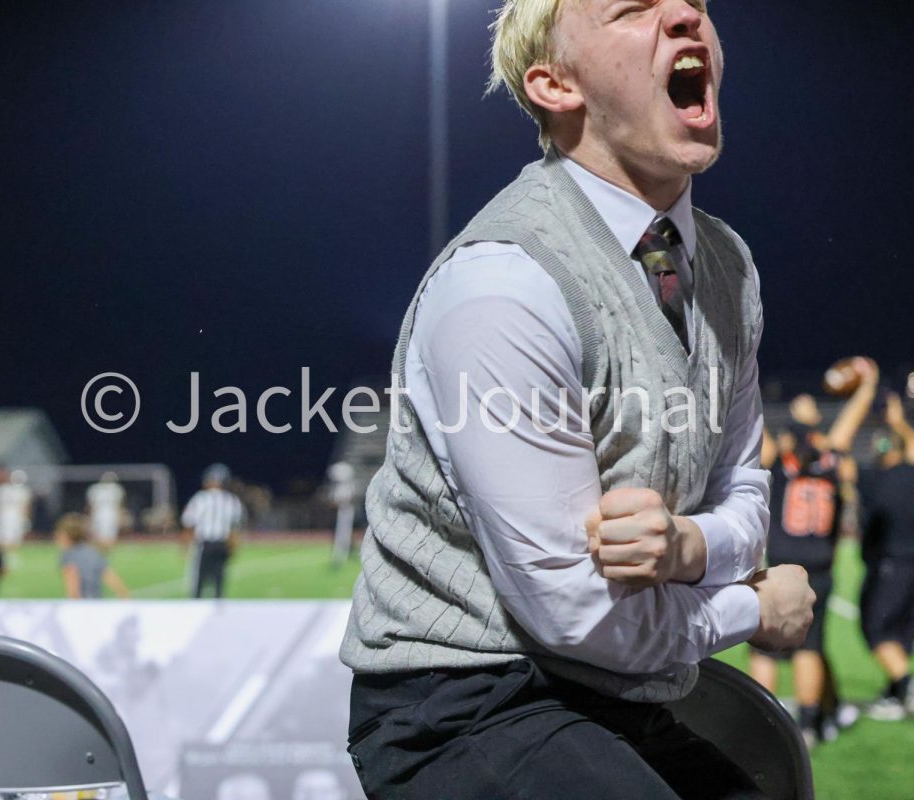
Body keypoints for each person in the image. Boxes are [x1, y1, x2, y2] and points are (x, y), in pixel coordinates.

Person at [340, 2, 816, 798]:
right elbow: (573, 611)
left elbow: (745, 491)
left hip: (624, 689)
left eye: (695, 5)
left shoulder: (726, 265)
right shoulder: (504, 282)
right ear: (555, 84)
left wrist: (690, 549)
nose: (684, 18)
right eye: (635, 8)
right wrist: (750, 610)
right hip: (469, 701)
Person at [751, 364, 877, 746]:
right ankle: (806, 725)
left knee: (767, 649)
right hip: (819, 566)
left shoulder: (781, 460)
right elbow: (850, 422)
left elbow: (752, 421)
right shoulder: (831, 458)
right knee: (811, 647)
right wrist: (867, 385)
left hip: (781, 564)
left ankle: (760, 724)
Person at [857, 394, 914, 720]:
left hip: (888, 563)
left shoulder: (873, 478)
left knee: (876, 627)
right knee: (901, 628)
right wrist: (898, 421)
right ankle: (896, 688)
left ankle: (907, 681)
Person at [181, 464, 244, 599]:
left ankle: (196, 610)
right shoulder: (232, 500)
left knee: (198, 584)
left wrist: (185, 547)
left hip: (204, 544)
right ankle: (218, 612)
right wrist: (232, 548)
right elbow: (234, 531)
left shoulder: (200, 498)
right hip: (222, 545)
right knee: (219, 582)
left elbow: (188, 523)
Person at [54, 512, 130, 599]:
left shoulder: (69, 556)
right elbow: (116, 583)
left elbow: (74, 591)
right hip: (96, 606)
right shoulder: (94, 552)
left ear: (65, 535)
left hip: (82, 607)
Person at [0, 468, 32, 564]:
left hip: (9, 517)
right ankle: (6, 558)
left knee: (9, 539)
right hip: (10, 517)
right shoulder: (4, 490)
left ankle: (7, 558)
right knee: (7, 540)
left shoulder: (2, 490)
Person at [86, 472, 126, 552]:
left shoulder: (116, 489)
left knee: (109, 534)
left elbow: (119, 505)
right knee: (98, 534)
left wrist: (120, 516)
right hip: (99, 514)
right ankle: (100, 550)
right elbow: (91, 505)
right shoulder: (95, 489)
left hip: (109, 514)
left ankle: (105, 550)